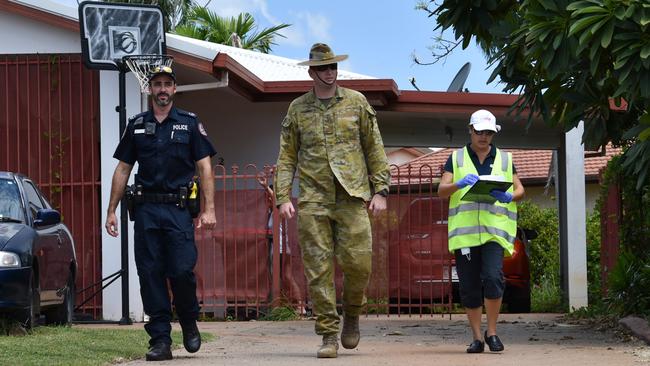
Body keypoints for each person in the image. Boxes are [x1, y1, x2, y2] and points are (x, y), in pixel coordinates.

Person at [274, 43, 391, 358]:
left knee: (359, 264)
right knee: (318, 270)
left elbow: (374, 147)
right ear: (311, 72)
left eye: (333, 67)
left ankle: (351, 313)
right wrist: (283, 196)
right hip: (314, 199)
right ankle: (328, 334)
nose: (329, 72)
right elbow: (286, 157)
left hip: (352, 196)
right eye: (323, 68)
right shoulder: (297, 109)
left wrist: (380, 189)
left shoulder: (356, 103)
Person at [104, 65, 217, 361]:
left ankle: (189, 321)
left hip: (178, 211)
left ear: (175, 89)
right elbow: (123, 168)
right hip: (146, 211)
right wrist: (111, 210)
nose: (162, 89)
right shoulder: (137, 124)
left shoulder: (189, 123)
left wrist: (209, 209)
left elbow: (204, 166)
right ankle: (160, 340)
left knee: (180, 271)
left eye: (168, 84)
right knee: (150, 273)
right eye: (157, 84)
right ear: (150, 90)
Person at [437, 109, 525, 354]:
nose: (484, 137)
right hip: (465, 235)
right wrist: (458, 184)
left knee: (494, 278)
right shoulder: (456, 159)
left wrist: (509, 196)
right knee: (469, 286)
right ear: (470, 130)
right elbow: (441, 190)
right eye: (479, 132)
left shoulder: (505, 159)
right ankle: (477, 337)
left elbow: (520, 190)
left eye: (488, 132)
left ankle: (492, 332)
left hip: (494, 232)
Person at [256, 174, 305, 314]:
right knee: (277, 278)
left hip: (282, 248)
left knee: (287, 276)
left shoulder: (279, 209)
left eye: (269, 197)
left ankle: (300, 305)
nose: (268, 199)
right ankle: (280, 305)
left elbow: (277, 200)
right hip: (275, 248)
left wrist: (266, 186)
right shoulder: (271, 212)